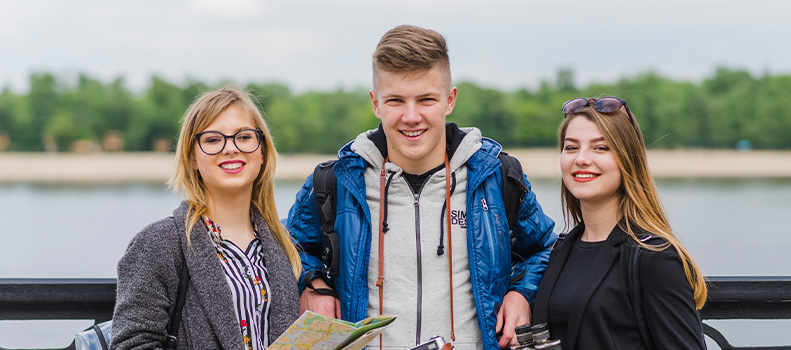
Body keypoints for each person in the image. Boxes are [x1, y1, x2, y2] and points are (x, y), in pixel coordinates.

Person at [285, 25, 557, 350]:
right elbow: (290, 246)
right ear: (375, 103)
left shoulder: (497, 176)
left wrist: (521, 292)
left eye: (426, 99)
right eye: (396, 100)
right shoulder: (334, 182)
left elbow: (546, 248)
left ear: (450, 99)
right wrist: (313, 284)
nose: (411, 116)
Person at [111, 86, 302, 350]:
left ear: (262, 152)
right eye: (213, 140)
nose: (231, 148)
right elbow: (132, 345)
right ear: (193, 158)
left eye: (244, 137)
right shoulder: (157, 245)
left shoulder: (284, 244)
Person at [532, 96, 707, 349]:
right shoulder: (561, 249)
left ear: (628, 160)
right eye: (571, 147)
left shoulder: (654, 257)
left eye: (600, 148)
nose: (581, 158)